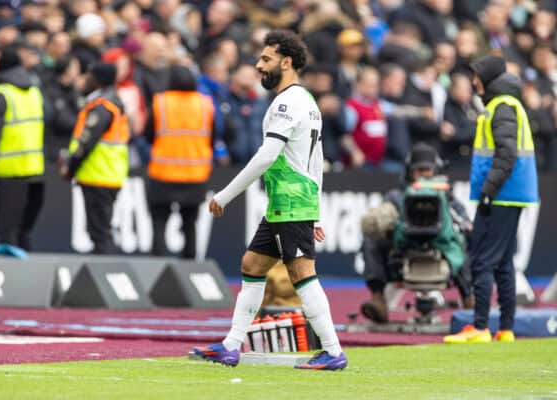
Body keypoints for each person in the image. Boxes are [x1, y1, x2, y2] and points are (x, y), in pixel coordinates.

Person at [192, 30, 347, 370]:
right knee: (252, 265)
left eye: (266, 59)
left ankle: (333, 352)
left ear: (286, 61)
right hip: (290, 202)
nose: (258, 65)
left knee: (302, 274)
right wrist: (316, 212)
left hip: (289, 201)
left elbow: (266, 156)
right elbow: (315, 160)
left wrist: (225, 194)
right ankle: (231, 346)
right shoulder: (306, 100)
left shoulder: (287, 102)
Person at [444, 55, 538, 344]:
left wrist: (488, 191)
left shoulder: (501, 107)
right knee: (503, 263)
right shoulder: (508, 104)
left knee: (482, 260)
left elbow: (506, 154)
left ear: (487, 78)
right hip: (511, 194)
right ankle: (505, 329)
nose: (472, 82)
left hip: (500, 195)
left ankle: (480, 326)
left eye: (476, 76)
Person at [360, 142, 473, 323]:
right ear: (409, 172)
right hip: (403, 252)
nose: (423, 175)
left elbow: (467, 224)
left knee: (466, 240)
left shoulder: (447, 197)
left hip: (443, 252)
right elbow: (375, 223)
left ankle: (469, 300)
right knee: (371, 240)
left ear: (435, 171)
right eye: (418, 171)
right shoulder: (395, 198)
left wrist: (459, 225)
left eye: (427, 170)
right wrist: (385, 224)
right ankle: (378, 300)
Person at [0, 48, 45, 250]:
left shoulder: (0, 95)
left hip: (6, 171)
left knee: (5, 232)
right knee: (23, 231)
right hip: (33, 170)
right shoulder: (34, 92)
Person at [145, 65, 215, 259]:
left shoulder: (161, 103)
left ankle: (158, 263)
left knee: (159, 221)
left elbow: (148, 134)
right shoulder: (205, 104)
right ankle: (189, 265)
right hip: (195, 174)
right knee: (190, 223)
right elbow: (214, 135)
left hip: (163, 173)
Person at [61, 62, 130, 254]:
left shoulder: (103, 106)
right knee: (100, 230)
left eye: (89, 75)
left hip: (99, 174)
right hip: (107, 174)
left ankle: (106, 273)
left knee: (100, 232)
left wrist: (71, 166)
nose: (85, 79)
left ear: (97, 79)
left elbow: (87, 141)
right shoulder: (112, 102)